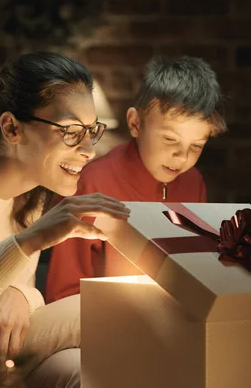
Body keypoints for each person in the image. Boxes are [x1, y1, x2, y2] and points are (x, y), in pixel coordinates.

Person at [0, 52, 130, 387]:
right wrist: (34, 238)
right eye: (72, 131)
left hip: (6, 357)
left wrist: (20, 294)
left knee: (82, 370)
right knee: (114, 309)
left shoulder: (31, 197)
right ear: (12, 128)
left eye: (92, 131)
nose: (89, 150)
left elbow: (26, 298)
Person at [45, 56, 227, 303]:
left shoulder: (193, 183)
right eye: (170, 140)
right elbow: (64, 293)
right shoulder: (93, 183)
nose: (182, 156)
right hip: (102, 321)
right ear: (135, 123)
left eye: (196, 145)